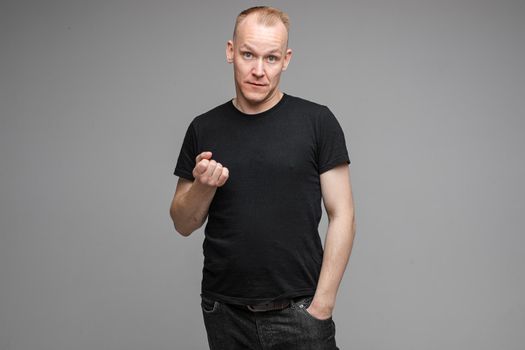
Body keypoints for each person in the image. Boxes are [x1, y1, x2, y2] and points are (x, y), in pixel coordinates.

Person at [170, 6, 355, 350]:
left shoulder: (317, 122)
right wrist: (202, 186)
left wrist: (323, 305)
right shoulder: (203, 128)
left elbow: (342, 214)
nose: (258, 70)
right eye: (247, 55)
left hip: (300, 310)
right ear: (230, 52)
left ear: (286, 60)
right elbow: (183, 223)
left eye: (271, 59)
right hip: (224, 311)